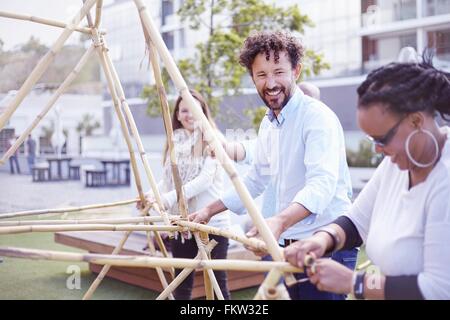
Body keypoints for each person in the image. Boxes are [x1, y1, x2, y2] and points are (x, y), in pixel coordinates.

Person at [189, 30, 355, 300]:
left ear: (296, 71)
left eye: (279, 72)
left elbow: (321, 185)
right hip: (283, 245)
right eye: (262, 75)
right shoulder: (269, 123)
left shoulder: (317, 118)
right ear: (253, 78)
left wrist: (277, 222)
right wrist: (209, 209)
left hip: (324, 244)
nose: (271, 83)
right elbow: (256, 178)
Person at [283, 56, 450, 300]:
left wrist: (354, 282)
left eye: (382, 139)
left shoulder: (444, 180)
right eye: (372, 140)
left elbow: (439, 289)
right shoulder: (399, 162)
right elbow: (357, 221)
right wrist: (321, 239)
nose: (377, 150)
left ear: (416, 121)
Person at [139, 90, 231, 300]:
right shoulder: (175, 144)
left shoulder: (215, 139)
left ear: (204, 112)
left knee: (218, 288)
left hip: (213, 224)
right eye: (184, 110)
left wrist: (168, 198)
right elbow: (168, 180)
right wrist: (150, 195)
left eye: (195, 109)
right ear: (178, 115)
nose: (190, 115)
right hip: (183, 224)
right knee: (181, 284)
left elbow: (204, 180)